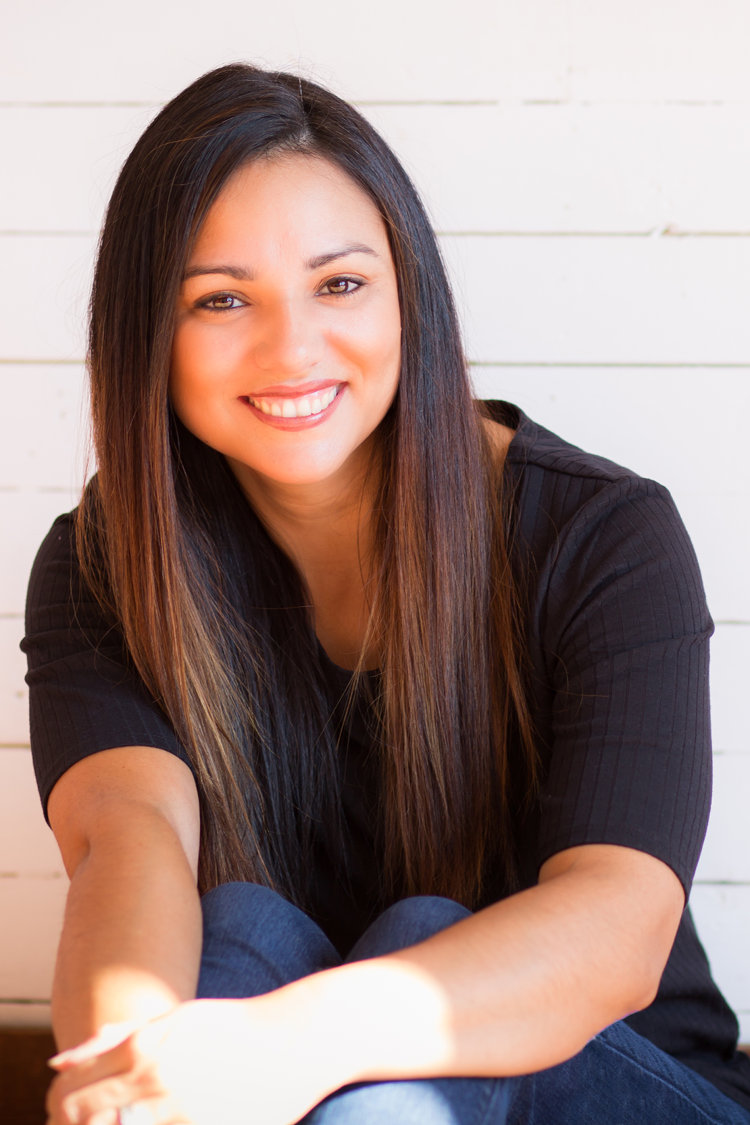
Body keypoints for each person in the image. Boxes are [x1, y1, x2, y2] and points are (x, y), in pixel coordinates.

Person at [22, 62, 750, 1125]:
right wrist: (127, 1064)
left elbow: (616, 929)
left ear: (409, 291)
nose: (293, 347)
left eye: (340, 283)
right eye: (221, 298)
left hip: (627, 1090)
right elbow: (128, 840)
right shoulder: (106, 567)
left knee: (421, 946)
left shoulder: (604, 538)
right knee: (235, 938)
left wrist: (288, 1045)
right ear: (148, 334)